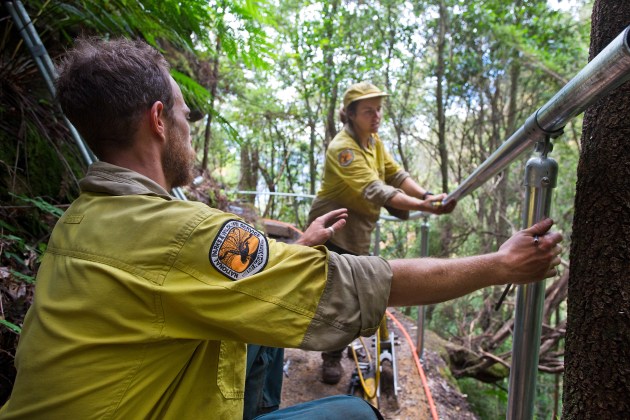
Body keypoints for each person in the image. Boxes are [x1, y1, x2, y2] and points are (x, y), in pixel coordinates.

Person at [0, 37, 563, 419]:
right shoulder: (182, 229)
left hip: (332, 236)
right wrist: (498, 265)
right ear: (156, 120)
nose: (188, 131)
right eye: (183, 117)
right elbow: (372, 217)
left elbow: (397, 174)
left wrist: (428, 199)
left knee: (263, 338)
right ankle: (325, 364)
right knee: (351, 407)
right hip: (348, 239)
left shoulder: (79, 217)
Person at [306, 82, 457, 384]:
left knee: (353, 292)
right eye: (367, 111)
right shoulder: (343, 148)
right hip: (333, 230)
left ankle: (340, 342)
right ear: (350, 115)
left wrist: (426, 195)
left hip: (358, 231)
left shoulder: (373, 141)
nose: (376, 116)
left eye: (378, 109)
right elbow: (377, 190)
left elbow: (396, 174)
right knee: (337, 296)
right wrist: (425, 207)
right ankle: (331, 357)